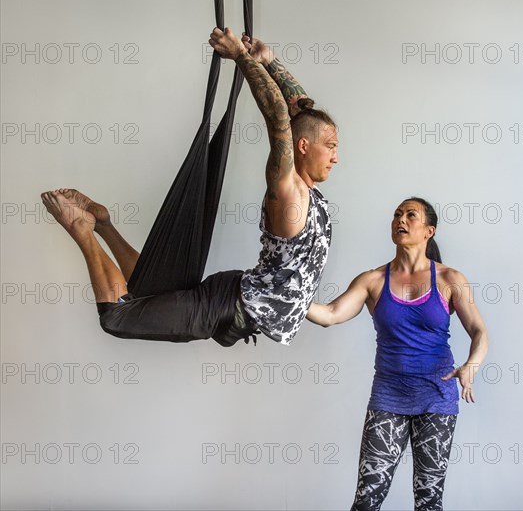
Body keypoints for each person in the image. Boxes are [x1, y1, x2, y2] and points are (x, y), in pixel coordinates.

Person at [41, 28, 338, 347]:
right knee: (117, 316)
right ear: (303, 146)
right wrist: (239, 55)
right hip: (226, 308)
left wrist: (270, 61)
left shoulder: (311, 195)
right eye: (331, 146)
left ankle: (103, 224)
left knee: (151, 290)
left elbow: (300, 114)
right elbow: (280, 116)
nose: (336, 157)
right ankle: (81, 227)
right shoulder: (289, 188)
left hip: (235, 298)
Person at [306, 197, 489, 511]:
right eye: (396, 214)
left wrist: (471, 364)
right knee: (366, 500)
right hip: (389, 398)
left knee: (428, 502)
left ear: (429, 230)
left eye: (410, 215)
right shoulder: (373, 280)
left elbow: (479, 332)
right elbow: (331, 314)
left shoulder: (449, 279)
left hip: (437, 398)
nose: (400, 220)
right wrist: (289, 298)